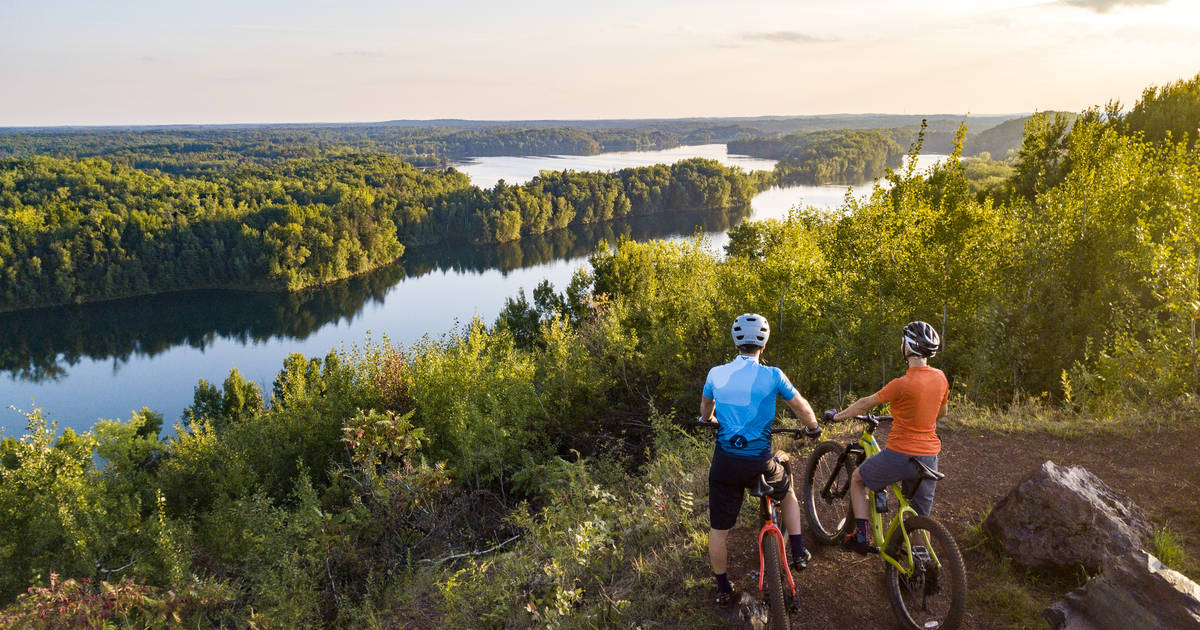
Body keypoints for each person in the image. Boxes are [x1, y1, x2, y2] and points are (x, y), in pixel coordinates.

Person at [702, 313, 821, 608]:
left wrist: (712, 418)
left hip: (725, 464)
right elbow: (802, 409)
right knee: (788, 491)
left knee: (719, 530)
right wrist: (813, 428)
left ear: (735, 342)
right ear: (763, 347)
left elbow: (706, 412)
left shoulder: (716, 374)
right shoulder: (773, 376)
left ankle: (721, 588)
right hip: (759, 462)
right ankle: (797, 551)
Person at [829, 321, 948, 554]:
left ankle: (861, 537)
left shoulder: (901, 384)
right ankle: (921, 565)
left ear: (908, 347)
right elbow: (941, 412)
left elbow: (866, 403)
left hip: (901, 455)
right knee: (918, 516)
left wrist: (838, 417)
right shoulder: (941, 378)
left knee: (857, 479)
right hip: (930, 458)